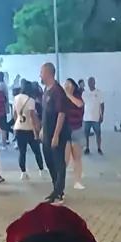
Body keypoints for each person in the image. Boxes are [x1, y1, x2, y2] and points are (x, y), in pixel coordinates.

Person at [40, 62, 70, 205]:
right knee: (49, 162)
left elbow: (61, 113)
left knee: (58, 163)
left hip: (56, 135)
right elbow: (45, 113)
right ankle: (56, 190)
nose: (40, 75)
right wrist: (42, 129)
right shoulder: (46, 90)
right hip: (46, 134)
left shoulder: (58, 91)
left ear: (48, 73)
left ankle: (58, 193)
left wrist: (56, 135)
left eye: (41, 73)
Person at [13, 79, 44, 180]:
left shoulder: (16, 98)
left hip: (18, 128)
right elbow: (32, 116)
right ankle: (41, 170)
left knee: (22, 152)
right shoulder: (30, 100)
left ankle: (23, 172)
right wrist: (38, 128)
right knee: (37, 151)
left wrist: (18, 122)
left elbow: (14, 114)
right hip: (29, 129)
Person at [64, 78, 85, 190]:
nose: (65, 86)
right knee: (65, 159)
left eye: (67, 84)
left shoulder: (77, 97)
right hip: (66, 131)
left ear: (73, 86)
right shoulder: (62, 99)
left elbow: (79, 104)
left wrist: (68, 95)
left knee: (77, 157)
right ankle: (60, 182)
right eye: (64, 84)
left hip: (76, 129)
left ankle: (77, 181)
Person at [83, 77, 104, 155]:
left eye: (91, 82)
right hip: (86, 118)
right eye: (89, 82)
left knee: (98, 134)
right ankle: (87, 148)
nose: (90, 84)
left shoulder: (99, 93)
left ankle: (99, 148)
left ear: (94, 83)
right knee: (86, 134)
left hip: (96, 118)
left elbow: (102, 105)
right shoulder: (84, 93)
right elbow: (81, 104)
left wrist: (101, 115)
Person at [0, 71, 10, 146]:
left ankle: (4, 139)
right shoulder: (4, 84)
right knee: (4, 124)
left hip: (0, 108)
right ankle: (6, 138)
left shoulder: (0, 85)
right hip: (4, 107)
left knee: (1, 125)